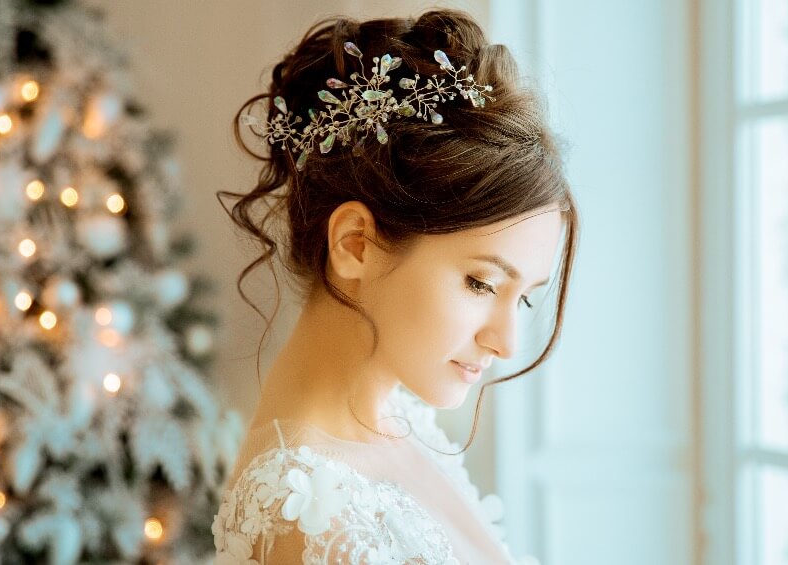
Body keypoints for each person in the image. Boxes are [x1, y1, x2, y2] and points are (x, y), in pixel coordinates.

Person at [212, 7, 580, 564]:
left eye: (524, 296)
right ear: (356, 243)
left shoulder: (398, 424)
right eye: (481, 283)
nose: (507, 343)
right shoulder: (312, 521)